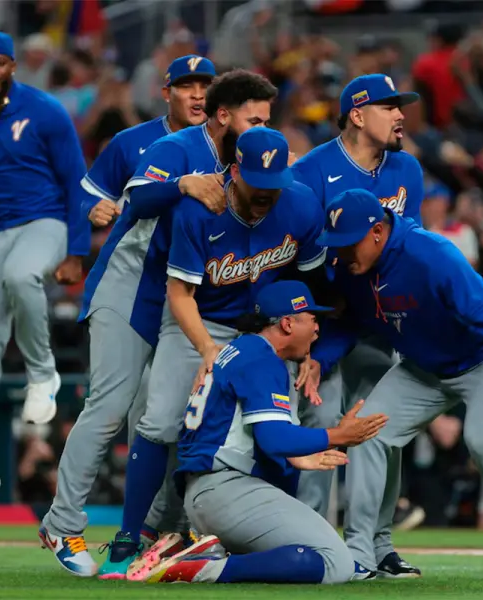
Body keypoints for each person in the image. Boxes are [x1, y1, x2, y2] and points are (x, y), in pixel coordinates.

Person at [102, 124, 327, 577]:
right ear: (234, 170)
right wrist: (207, 349)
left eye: (275, 184)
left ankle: (251, 540)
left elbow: (312, 285)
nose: (267, 194)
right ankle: (131, 535)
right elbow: (180, 293)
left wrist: (310, 348)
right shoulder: (201, 207)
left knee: (275, 431)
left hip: (267, 332)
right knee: (162, 418)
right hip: (199, 320)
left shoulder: (301, 204)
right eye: (257, 184)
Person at [310, 189, 483, 583]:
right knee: (368, 432)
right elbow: (350, 321)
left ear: (376, 232)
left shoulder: (430, 255)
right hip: (423, 369)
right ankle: (363, 550)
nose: (339, 254)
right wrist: (319, 361)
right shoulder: (353, 267)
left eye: (347, 243)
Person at [39, 55, 222, 577]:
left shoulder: (226, 148)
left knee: (164, 419)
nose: (196, 94)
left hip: (183, 296)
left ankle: (157, 529)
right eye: (186, 85)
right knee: (109, 408)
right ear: (165, 91)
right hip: (128, 286)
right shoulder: (135, 142)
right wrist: (93, 216)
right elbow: (88, 201)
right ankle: (62, 523)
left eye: (205, 85)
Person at [126, 280, 389, 585]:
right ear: (288, 324)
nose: (318, 330)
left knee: (316, 555)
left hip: (210, 490)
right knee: (336, 563)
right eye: (312, 319)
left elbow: (242, 433)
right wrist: (338, 435)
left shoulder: (240, 350)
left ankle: (203, 550)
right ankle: (201, 567)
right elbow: (274, 438)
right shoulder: (262, 358)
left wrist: (296, 457)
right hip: (226, 491)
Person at [0, 32, 90, 513]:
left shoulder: (45, 110)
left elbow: (75, 180)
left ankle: (42, 376)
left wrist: (77, 250)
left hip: (43, 219)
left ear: (11, 65)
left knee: (22, 276)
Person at [291, 73, 425, 578]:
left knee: (377, 432)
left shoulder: (406, 169)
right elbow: (295, 260)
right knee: (322, 430)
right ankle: (308, 542)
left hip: (377, 322)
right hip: (324, 324)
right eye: (389, 106)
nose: (400, 115)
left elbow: (410, 247)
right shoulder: (310, 171)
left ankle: (376, 546)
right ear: (357, 114)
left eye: (400, 106)